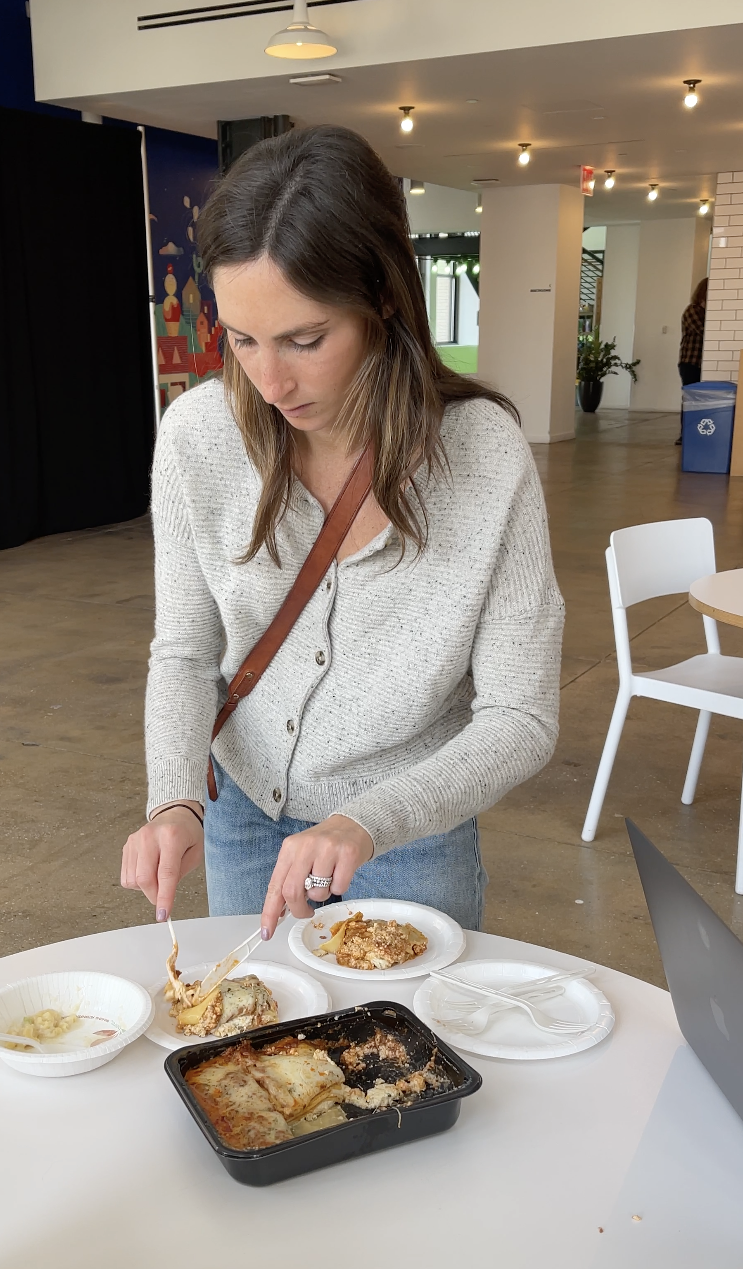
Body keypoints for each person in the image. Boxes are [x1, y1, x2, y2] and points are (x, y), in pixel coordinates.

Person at [120, 125, 564, 941]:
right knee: (258, 1050)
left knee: (402, 1062)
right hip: (245, 820)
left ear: (383, 298)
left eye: (306, 339)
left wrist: (370, 820)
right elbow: (184, 651)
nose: (269, 379)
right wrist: (175, 797)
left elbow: (520, 715)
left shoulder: (482, 456)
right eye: (242, 338)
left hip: (408, 839)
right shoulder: (197, 437)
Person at [677, 277, 708, 443]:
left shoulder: (704, 312)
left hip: (699, 362)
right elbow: (706, 332)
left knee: (698, 399)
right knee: (690, 399)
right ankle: (685, 435)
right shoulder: (693, 310)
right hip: (690, 362)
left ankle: (696, 432)